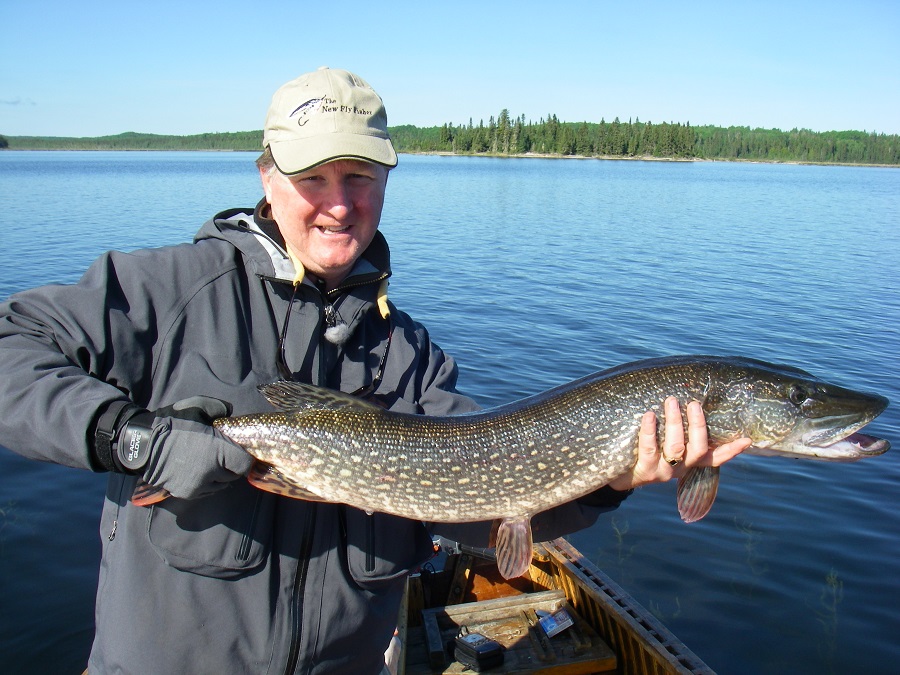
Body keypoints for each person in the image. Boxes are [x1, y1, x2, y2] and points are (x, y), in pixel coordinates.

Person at [0, 67, 750, 674]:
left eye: (358, 176)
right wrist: (132, 438)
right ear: (266, 178)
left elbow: (489, 507)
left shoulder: (411, 357)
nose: (338, 204)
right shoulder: (168, 292)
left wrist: (613, 478)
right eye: (311, 177)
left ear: (386, 183)